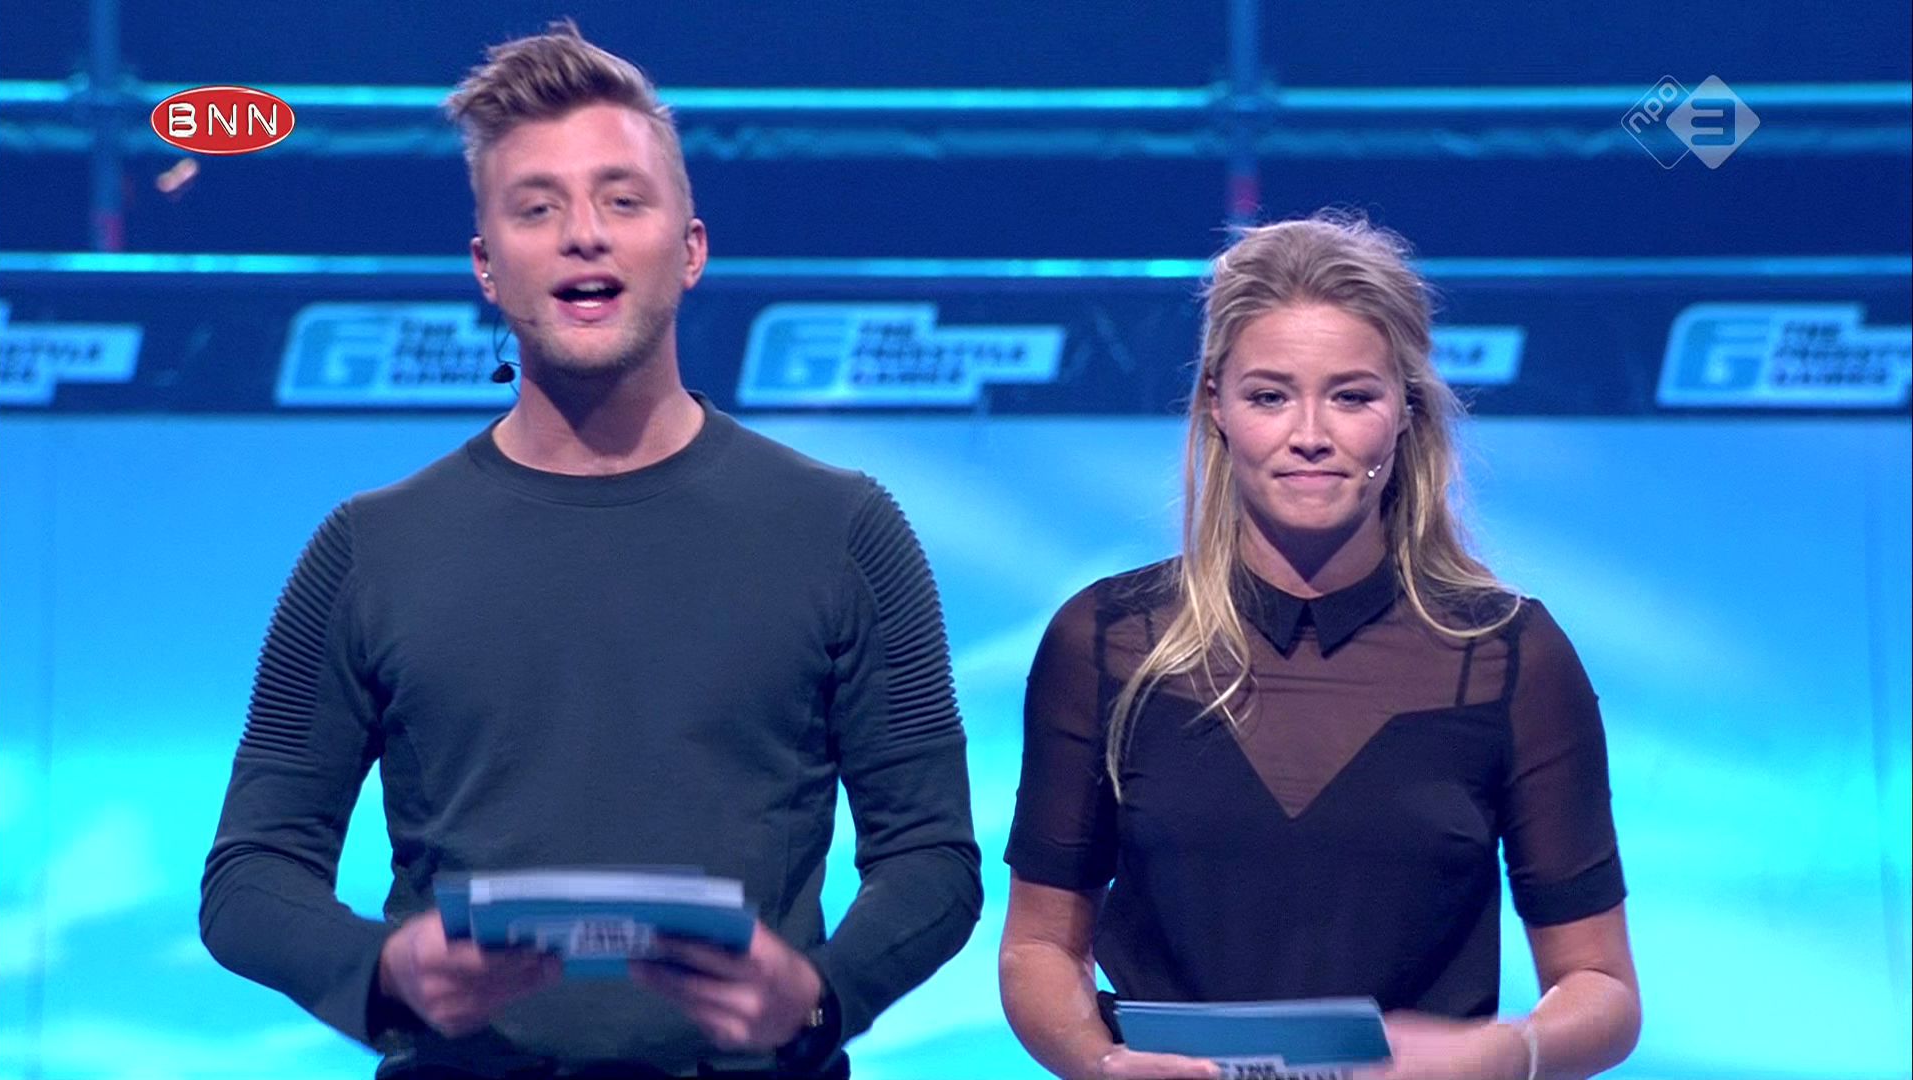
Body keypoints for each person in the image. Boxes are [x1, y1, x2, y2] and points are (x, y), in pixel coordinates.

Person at [200, 21, 980, 1079]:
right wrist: (383, 972)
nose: (584, 236)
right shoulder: (367, 549)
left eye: (622, 200)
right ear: (486, 267)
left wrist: (819, 995)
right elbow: (250, 876)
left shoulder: (844, 531)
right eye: (537, 208)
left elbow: (933, 860)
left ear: (691, 249)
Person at [998, 213, 1641, 1080]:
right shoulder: (1108, 641)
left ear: (1406, 412)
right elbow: (1038, 946)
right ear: (1216, 407)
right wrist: (1100, 1064)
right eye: (1270, 396)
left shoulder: (1508, 656)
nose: (1310, 433)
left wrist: (1502, 1054)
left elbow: (1601, 985)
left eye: (1352, 396)